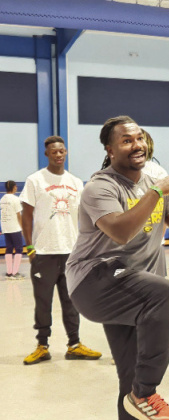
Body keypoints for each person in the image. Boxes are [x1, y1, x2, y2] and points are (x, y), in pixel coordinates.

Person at [66, 115, 169, 420]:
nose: (136, 145)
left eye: (139, 138)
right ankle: (147, 392)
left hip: (132, 290)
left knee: (129, 385)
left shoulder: (156, 175)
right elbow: (122, 232)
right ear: (109, 150)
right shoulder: (99, 187)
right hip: (94, 282)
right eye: (126, 141)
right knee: (164, 292)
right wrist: (156, 192)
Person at [20, 136, 102, 365]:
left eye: (62, 151)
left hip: (71, 252)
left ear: (66, 153)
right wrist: (30, 247)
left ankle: (74, 345)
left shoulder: (76, 182)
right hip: (44, 253)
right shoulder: (35, 180)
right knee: (43, 302)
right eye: (54, 152)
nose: (58, 155)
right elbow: (25, 214)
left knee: (71, 301)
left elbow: (85, 216)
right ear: (46, 154)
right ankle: (42, 345)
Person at [1, 180, 24, 280]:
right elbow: (18, 215)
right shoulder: (15, 199)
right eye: (16, 187)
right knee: (19, 248)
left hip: (6, 227)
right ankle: (15, 273)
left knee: (9, 248)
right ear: (14, 187)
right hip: (15, 227)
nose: (16, 188)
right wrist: (22, 228)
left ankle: (9, 272)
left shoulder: (2, 199)